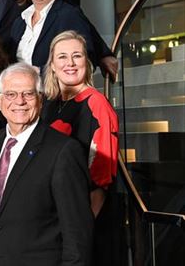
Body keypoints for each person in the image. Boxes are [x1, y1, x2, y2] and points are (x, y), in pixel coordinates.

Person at [0, 62, 93, 266]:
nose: (19, 101)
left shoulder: (63, 151)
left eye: (28, 94)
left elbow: (77, 235)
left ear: (40, 99)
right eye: (11, 94)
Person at [41, 31, 119, 265]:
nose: (70, 63)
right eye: (62, 57)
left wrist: (78, 237)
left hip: (82, 229)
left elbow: (101, 182)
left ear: (87, 62)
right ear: (52, 65)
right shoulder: (50, 105)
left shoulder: (96, 104)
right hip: (55, 225)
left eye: (77, 56)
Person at [10, 0, 97, 70]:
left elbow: (86, 60)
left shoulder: (69, 15)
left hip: (52, 87)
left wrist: (37, 74)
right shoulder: (19, 22)